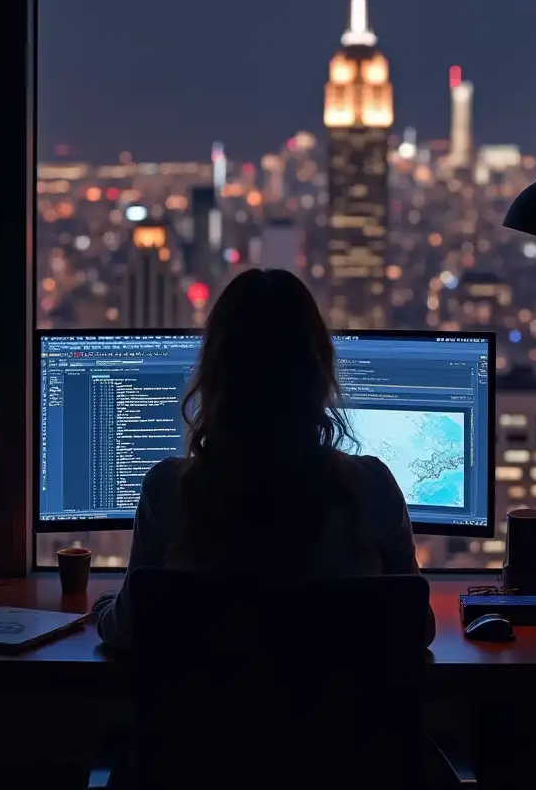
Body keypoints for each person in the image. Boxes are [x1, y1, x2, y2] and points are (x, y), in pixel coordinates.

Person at [94, 268, 435, 648]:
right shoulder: (373, 487)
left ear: (215, 375)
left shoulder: (167, 491)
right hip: (337, 708)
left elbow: (125, 632)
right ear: (317, 374)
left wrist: (106, 607)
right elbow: (417, 627)